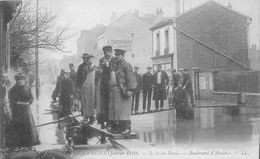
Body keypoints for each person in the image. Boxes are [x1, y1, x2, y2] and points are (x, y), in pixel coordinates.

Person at [6, 73, 40, 148]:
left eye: (22, 80)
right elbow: (11, 100)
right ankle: (19, 144)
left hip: (27, 111)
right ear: (16, 81)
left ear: (24, 80)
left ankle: (28, 143)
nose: (21, 81)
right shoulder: (13, 90)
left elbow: (31, 97)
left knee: (28, 127)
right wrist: (19, 103)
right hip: (17, 111)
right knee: (19, 127)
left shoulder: (27, 88)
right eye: (19, 80)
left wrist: (29, 102)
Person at [109, 49, 136, 135]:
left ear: (123, 56)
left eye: (119, 55)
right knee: (117, 110)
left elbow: (131, 79)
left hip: (124, 90)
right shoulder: (116, 65)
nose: (117, 56)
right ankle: (119, 128)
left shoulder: (127, 65)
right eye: (116, 55)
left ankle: (127, 128)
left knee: (124, 111)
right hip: (116, 90)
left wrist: (129, 90)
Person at [97, 45, 113, 129]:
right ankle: (103, 122)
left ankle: (110, 122)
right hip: (104, 85)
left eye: (109, 51)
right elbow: (99, 71)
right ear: (104, 53)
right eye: (107, 52)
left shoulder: (114, 60)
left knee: (111, 104)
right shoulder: (102, 60)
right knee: (104, 104)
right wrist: (101, 69)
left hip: (112, 84)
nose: (108, 53)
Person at [81, 55, 97, 124]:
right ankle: (88, 117)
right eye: (89, 59)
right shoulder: (86, 68)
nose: (90, 61)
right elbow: (84, 78)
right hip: (88, 87)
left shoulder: (96, 67)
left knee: (94, 102)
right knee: (87, 102)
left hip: (94, 87)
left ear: (93, 59)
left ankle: (93, 118)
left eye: (91, 59)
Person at [0, 72, 10, 149]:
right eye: (3, 77)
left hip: (3, 107)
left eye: (6, 77)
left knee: (5, 124)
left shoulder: (5, 87)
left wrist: (7, 108)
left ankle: (3, 145)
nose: (4, 79)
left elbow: (5, 98)